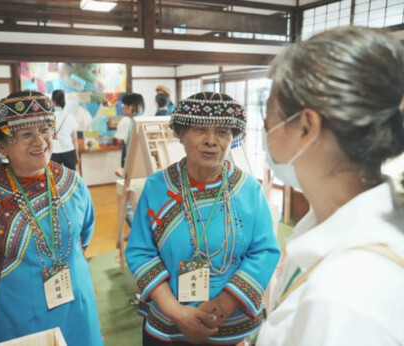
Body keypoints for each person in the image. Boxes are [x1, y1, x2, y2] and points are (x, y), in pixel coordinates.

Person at [256, 27, 404, 345]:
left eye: (268, 116)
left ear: (306, 127)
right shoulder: (330, 226)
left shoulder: (345, 298)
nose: (265, 130)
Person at [126, 92, 281, 345]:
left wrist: (221, 306)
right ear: (182, 133)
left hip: (226, 325)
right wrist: (177, 313)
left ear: (232, 138)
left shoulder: (248, 189)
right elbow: (141, 253)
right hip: (168, 323)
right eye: (200, 130)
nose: (211, 141)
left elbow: (264, 251)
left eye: (222, 132)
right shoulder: (157, 187)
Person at [0, 91, 103, 345]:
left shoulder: (73, 184)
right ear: (2, 147)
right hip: (19, 316)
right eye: (25, 134)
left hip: (78, 303)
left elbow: (84, 237)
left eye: (45, 129)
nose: (40, 141)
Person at [51, 90, 79, 171]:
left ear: (52, 100)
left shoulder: (49, 117)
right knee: (71, 178)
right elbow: (75, 139)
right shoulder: (70, 116)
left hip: (54, 152)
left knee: (55, 179)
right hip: (69, 151)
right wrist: (76, 155)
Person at [115, 92, 145, 168]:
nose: (122, 108)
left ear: (131, 107)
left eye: (124, 105)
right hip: (143, 160)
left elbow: (119, 141)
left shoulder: (126, 121)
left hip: (130, 158)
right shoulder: (144, 120)